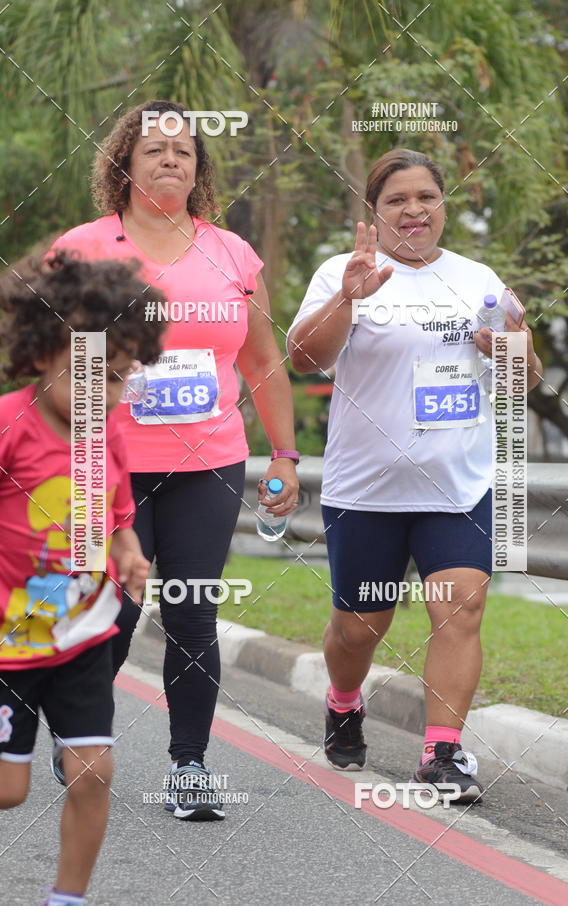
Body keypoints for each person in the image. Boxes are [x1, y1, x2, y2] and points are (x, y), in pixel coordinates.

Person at [53, 99, 300, 820]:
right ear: (125, 163)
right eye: (155, 149)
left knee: (192, 613)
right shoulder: (85, 247)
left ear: (199, 169)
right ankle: (79, 736)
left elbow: (262, 361)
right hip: (109, 465)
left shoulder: (230, 253)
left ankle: (189, 766)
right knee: (113, 614)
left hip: (210, 463)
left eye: (184, 151)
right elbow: (54, 360)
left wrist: (284, 453)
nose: (170, 159)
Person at [287, 148, 542, 803]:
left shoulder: (480, 280)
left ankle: (443, 754)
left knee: (460, 608)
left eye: (426, 196)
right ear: (375, 211)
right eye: (397, 199)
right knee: (359, 627)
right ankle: (344, 700)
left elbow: (521, 384)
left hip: (456, 488)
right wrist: (349, 298)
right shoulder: (345, 274)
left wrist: (516, 352)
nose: (414, 209)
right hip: (365, 490)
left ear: (443, 204)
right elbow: (303, 357)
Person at [0, 251, 166, 906]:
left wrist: (126, 549)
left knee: (92, 771)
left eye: (120, 378)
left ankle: (66, 900)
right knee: (9, 790)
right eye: (93, 371)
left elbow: (116, 507)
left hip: (82, 628)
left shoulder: (108, 434)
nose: (107, 393)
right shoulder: (11, 427)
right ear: (43, 354)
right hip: (13, 632)